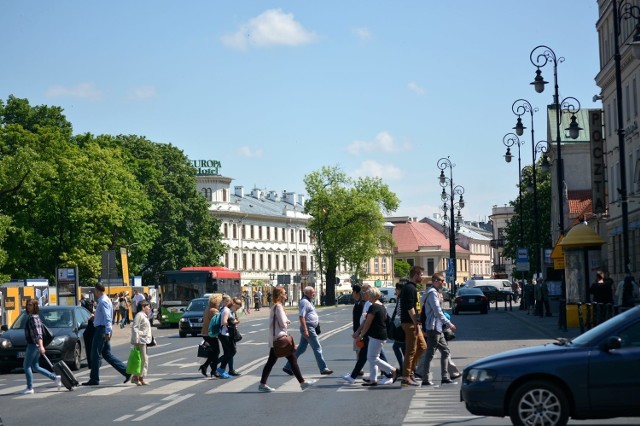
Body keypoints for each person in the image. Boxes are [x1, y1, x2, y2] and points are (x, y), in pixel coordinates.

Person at [258, 287, 316, 392]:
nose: (286, 295)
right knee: (291, 360)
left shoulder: (274, 306)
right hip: (280, 338)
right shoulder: (279, 307)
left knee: (274, 361)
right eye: (284, 293)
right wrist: (287, 321)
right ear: (280, 294)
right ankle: (302, 383)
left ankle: (263, 384)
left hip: (275, 338)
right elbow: (283, 324)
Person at [83, 283, 131, 386]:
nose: (95, 292)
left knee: (94, 354)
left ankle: (94, 379)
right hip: (103, 328)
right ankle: (126, 372)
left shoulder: (103, 301)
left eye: (95, 290)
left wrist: (108, 332)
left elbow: (108, 317)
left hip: (102, 330)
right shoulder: (106, 300)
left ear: (97, 290)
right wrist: (95, 317)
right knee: (106, 354)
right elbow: (104, 316)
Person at [353, 286, 399, 387]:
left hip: (376, 335)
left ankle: (392, 370)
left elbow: (368, 323)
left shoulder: (373, 307)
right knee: (373, 357)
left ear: (371, 295)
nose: (366, 296)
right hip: (380, 334)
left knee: (372, 357)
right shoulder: (381, 305)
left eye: (367, 294)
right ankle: (373, 379)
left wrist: (361, 335)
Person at [283, 286, 333, 376]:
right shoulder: (304, 302)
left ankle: (288, 366)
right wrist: (306, 329)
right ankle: (323, 368)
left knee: (301, 349)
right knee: (317, 348)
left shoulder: (309, 301)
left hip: (310, 328)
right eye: (313, 292)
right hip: (308, 328)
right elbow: (301, 316)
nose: (314, 293)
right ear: (308, 293)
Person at [419, 272, 457, 386]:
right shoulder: (432, 293)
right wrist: (449, 323)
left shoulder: (434, 292)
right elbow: (437, 311)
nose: (443, 282)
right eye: (441, 280)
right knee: (430, 353)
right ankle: (425, 379)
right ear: (435, 280)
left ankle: (444, 377)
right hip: (433, 327)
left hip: (438, 327)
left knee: (445, 352)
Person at [20, 300, 61, 394]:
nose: (28, 307)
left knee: (26, 366)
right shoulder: (33, 317)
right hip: (35, 345)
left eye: (30, 305)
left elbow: (39, 334)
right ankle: (55, 378)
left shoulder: (33, 319)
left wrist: (41, 346)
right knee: (35, 366)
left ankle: (30, 388)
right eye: (27, 305)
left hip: (33, 345)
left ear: (35, 307)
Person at [400, 266, 427, 387]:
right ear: (415, 275)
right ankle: (406, 376)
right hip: (410, 323)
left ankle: (410, 372)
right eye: (421, 274)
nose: (423, 276)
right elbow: (410, 307)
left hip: (414, 323)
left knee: (422, 346)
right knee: (410, 350)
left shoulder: (413, 288)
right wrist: (415, 323)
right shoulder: (409, 288)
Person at [216, 296, 242, 377]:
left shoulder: (227, 310)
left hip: (226, 333)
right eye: (237, 307)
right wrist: (233, 323)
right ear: (233, 304)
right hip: (225, 334)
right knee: (232, 351)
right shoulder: (227, 310)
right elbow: (224, 322)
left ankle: (225, 370)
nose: (237, 309)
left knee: (228, 352)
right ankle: (217, 365)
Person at [199, 293, 222, 378]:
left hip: (205, 332)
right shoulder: (214, 311)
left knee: (213, 352)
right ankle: (214, 370)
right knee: (216, 352)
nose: (220, 303)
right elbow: (217, 322)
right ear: (216, 302)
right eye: (219, 301)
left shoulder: (207, 309)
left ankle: (204, 367)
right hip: (211, 333)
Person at [130, 301, 153, 385]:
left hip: (144, 340)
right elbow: (135, 327)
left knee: (145, 359)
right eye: (148, 307)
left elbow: (146, 329)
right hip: (140, 340)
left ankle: (141, 377)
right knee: (141, 359)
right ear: (143, 307)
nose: (149, 308)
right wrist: (136, 340)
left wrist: (152, 340)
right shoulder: (139, 315)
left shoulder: (145, 316)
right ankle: (136, 377)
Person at [391, 282, 405, 374]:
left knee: (398, 347)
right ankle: (406, 367)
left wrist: (396, 324)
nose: (395, 291)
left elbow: (399, 313)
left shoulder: (401, 299)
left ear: (399, 290)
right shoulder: (400, 298)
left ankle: (404, 368)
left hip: (401, 327)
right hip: (402, 326)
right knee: (404, 348)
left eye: (396, 289)